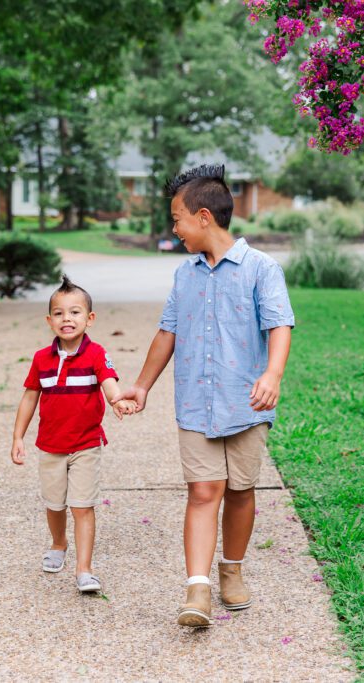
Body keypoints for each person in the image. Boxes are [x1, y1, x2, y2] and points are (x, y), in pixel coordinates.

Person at [119, 164, 295, 626]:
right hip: (196, 404)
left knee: (240, 491)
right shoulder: (185, 275)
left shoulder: (261, 269)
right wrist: (141, 385)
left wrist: (272, 374)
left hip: (246, 404)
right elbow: (167, 333)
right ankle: (196, 588)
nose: (173, 228)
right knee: (203, 491)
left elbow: (279, 324)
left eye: (176, 218)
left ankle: (231, 570)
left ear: (203, 217)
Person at [11, 275, 138, 593]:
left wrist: (117, 400)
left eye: (75, 312)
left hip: (85, 444)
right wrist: (17, 437)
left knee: (82, 505)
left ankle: (84, 570)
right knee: (54, 504)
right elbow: (29, 397)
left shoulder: (96, 354)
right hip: (51, 446)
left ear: (90, 318)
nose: (67, 318)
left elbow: (109, 381)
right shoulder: (42, 359)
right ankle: (58, 543)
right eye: (59, 313)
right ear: (49, 320)